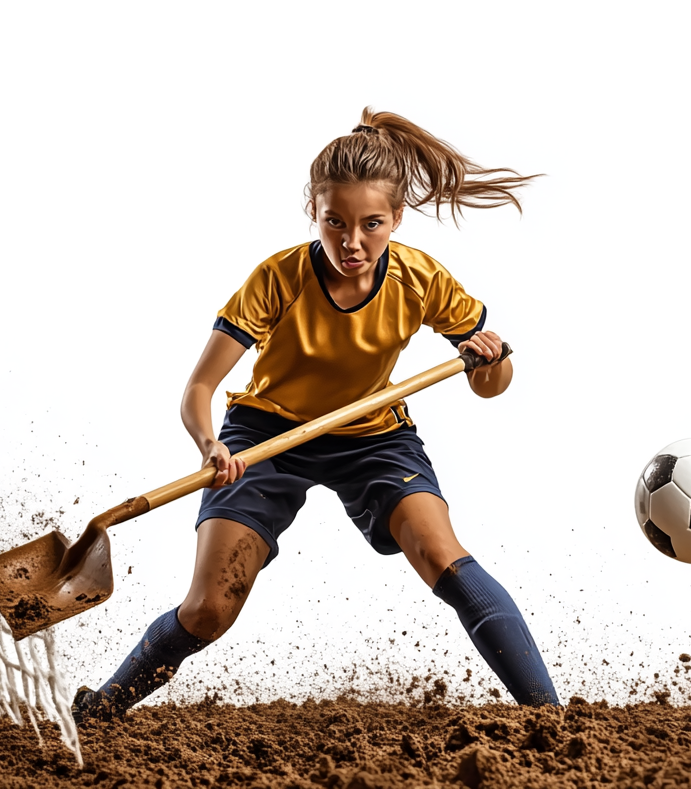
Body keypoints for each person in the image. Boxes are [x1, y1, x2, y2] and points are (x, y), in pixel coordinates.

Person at [73, 108, 558, 723]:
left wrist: (488, 361)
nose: (351, 243)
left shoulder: (419, 278)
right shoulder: (279, 278)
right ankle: (101, 708)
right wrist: (209, 446)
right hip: (265, 436)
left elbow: (493, 386)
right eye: (335, 222)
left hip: (373, 434)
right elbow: (199, 388)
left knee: (443, 555)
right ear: (314, 210)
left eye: (371, 225)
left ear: (396, 219)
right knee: (207, 610)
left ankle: (553, 719)